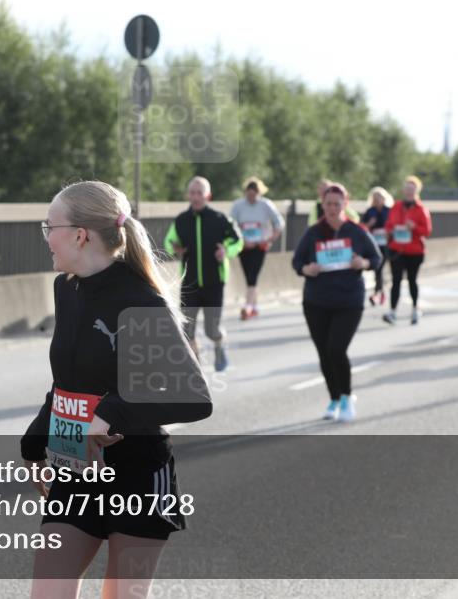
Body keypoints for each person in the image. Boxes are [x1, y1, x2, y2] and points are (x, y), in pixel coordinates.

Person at [22, 180, 212, 599]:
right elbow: (68, 380)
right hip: (75, 471)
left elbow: (194, 397)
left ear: (79, 234)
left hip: (139, 476)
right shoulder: (66, 289)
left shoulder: (141, 302)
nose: (45, 236)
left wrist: (112, 411)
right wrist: (34, 442)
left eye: (48, 226)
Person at [292, 183, 382, 423]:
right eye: (328, 204)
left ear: (345, 205)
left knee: (336, 349)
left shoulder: (356, 231)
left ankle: (346, 396)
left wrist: (362, 263)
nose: (331, 209)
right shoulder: (313, 233)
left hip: (348, 301)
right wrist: (306, 268)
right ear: (323, 204)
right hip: (316, 302)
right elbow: (296, 261)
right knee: (323, 353)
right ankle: (333, 398)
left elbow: (376, 258)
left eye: (336, 204)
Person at [163, 176, 242, 372]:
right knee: (186, 329)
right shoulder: (181, 220)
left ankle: (219, 343)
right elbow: (169, 241)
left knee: (211, 329)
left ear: (208, 196)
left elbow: (237, 241)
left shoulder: (220, 219)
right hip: (189, 282)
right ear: (188, 195)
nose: (196, 197)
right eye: (192, 193)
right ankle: (195, 368)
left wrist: (226, 251)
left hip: (215, 282)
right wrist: (175, 250)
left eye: (200, 193)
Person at [230, 176, 284, 320]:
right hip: (244, 246)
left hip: (260, 246)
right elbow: (231, 224)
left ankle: (247, 307)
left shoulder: (266, 205)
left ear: (259, 193)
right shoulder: (238, 206)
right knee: (249, 276)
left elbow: (279, 223)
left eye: (254, 195)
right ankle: (254, 306)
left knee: (253, 276)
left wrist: (271, 238)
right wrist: (240, 239)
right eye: (249, 195)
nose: (251, 198)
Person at [382, 175, 432, 325]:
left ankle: (415, 309)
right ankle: (392, 311)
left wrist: (414, 227)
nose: (409, 192)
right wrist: (390, 231)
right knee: (395, 281)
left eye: (412, 189)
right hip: (397, 250)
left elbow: (427, 231)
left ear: (417, 191)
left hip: (414, 251)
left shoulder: (421, 209)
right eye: (407, 189)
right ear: (403, 190)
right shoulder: (396, 207)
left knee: (412, 281)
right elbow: (388, 225)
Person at [362, 187, 393, 307]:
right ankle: (379, 292)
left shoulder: (389, 210)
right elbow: (362, 228)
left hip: (387, 243)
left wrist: (388, 231)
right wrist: (370, 224)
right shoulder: (369, 211)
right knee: (377, 268)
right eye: (375, 197)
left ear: (384, 198)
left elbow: (394, 225)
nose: (377, 199)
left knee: (382, 268)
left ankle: (380, 291)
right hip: (374, 244)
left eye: (379, 197)